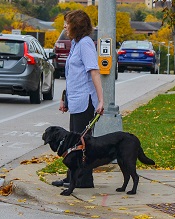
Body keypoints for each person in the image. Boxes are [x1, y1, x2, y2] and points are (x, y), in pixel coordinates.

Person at [52, 10, 104, 188]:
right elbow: (72, 75)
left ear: (76, 25)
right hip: (75, 100)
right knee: (73, 143)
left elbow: (94, 72)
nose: (65, 26)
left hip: (85, 101)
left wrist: (101, 101)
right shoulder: (76, 43)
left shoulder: (86, 44)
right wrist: (64, 99)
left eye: (67, 23)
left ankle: (84, 180)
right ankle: (72, 177)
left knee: (83, 143)